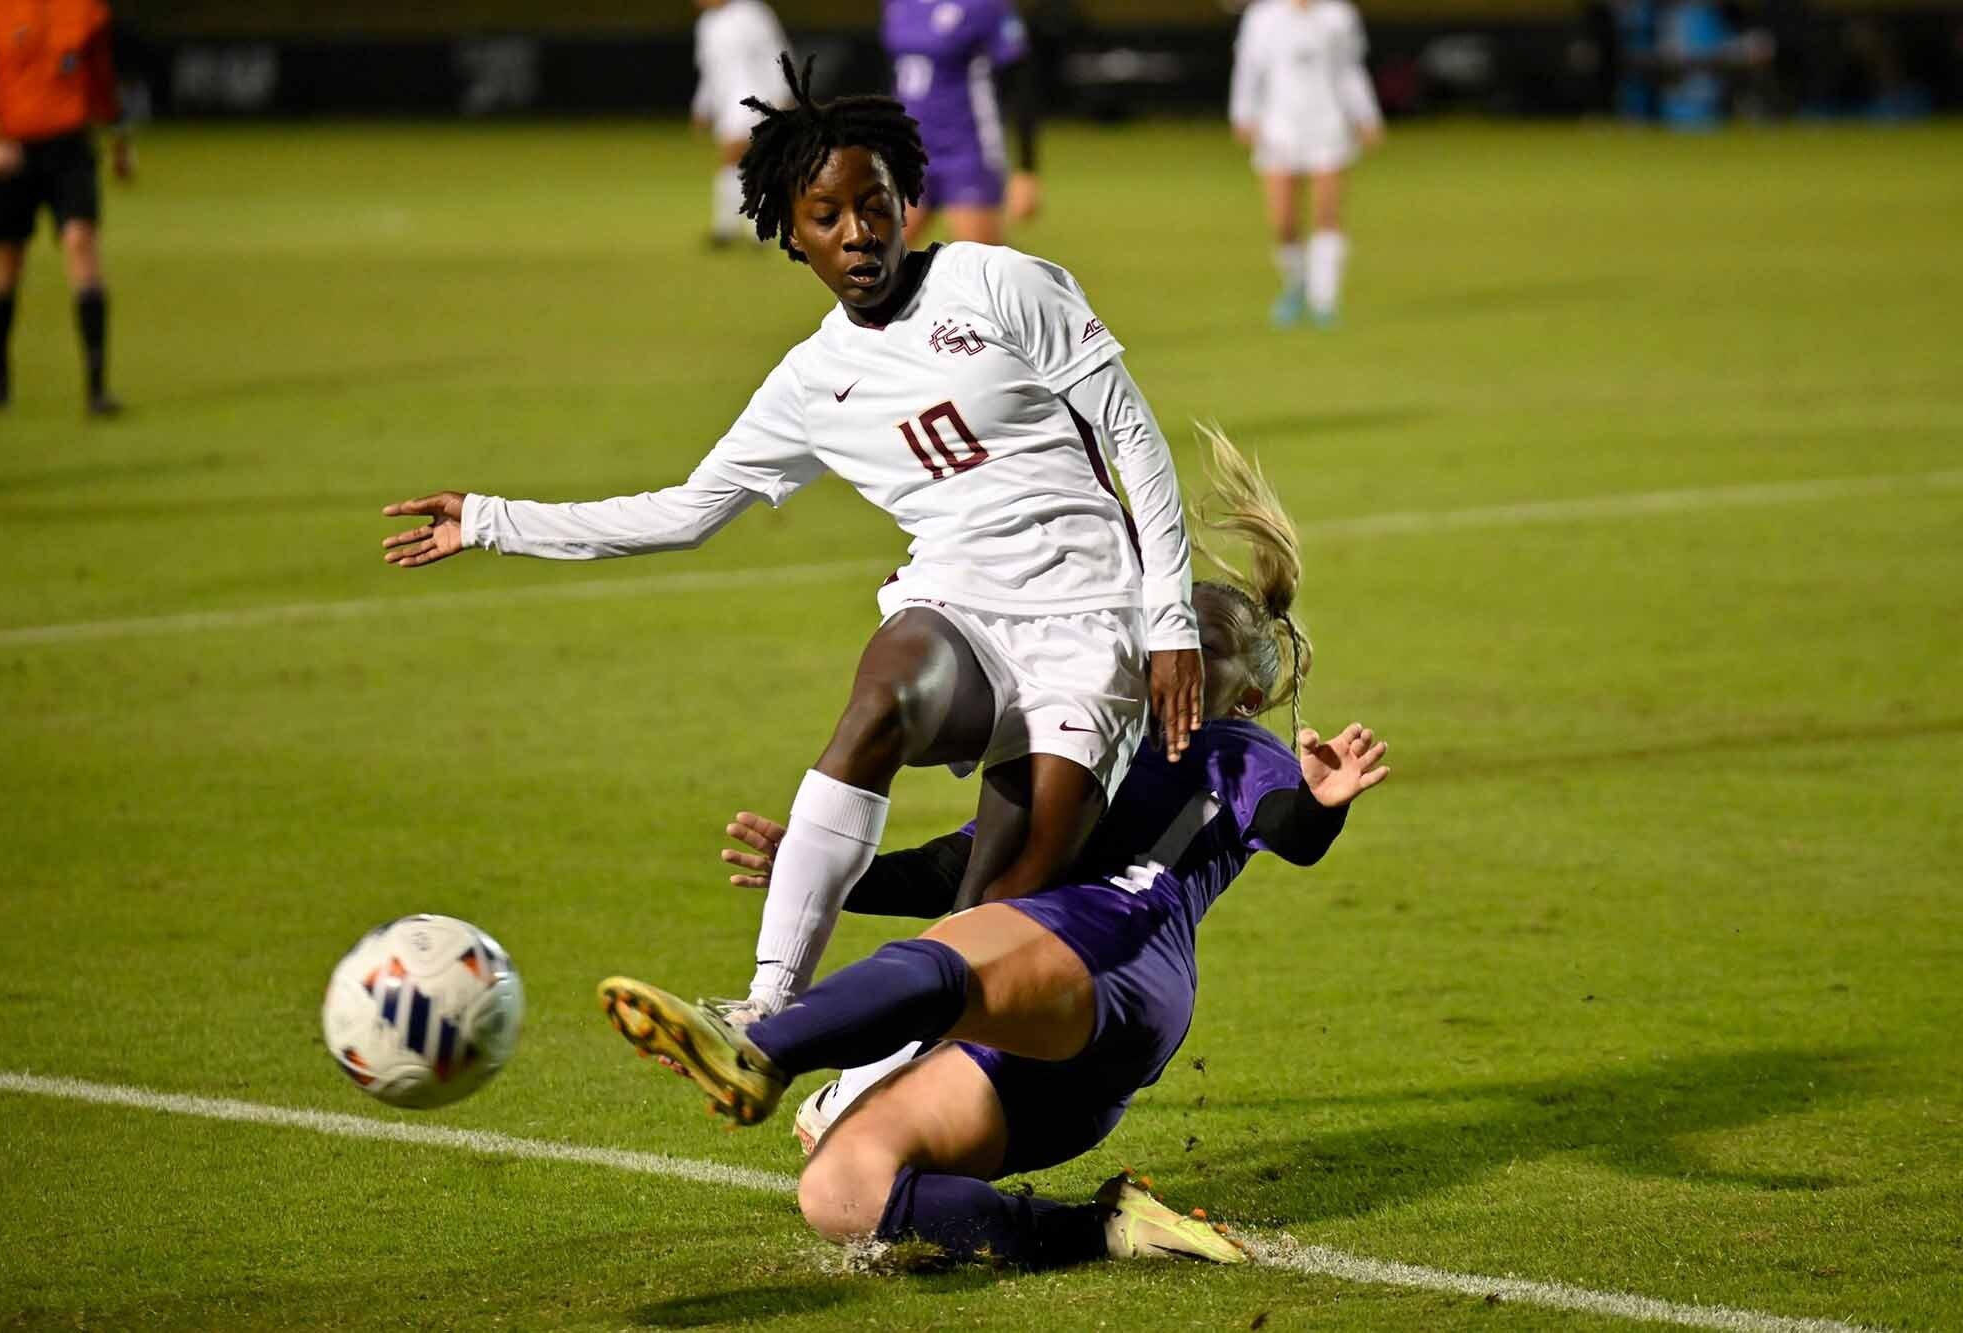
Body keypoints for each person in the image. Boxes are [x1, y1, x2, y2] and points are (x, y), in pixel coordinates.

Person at [381, 56, 1202, 1027]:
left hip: (1087, 630)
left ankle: (858, 1076)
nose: (857, 231)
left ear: (908, 200)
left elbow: (1132, 435)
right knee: (887, 687)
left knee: (986, 919)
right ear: (789, 233)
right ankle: (766, 1003)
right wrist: (488, 518)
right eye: (826, 216)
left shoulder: (998, 282)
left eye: (875, 203)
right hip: (961, 611)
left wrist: (1169, 624)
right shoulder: (809, 382)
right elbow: (684, 512)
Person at [598, 430, 1393, 1268]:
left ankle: (764, 1047)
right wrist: (827, 868)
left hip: (1118, 954)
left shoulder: (1236, 749)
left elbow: (1287, 831)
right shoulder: (1102, 734)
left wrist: (1320, 801)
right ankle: (1106, 1229)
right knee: (841, 1190)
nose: (1174, 657)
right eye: (1167, 634)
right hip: (1045, 1041)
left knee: (948, 951)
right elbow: (958, 864)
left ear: (1252, 692)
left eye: (1202, 649)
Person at [0, 0, 132, 414]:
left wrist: (117, 135)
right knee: (6, 267)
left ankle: (97, 388)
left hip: (69, 148)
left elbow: (100, 79)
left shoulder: (86, 10)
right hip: (11, 151)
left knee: (80, 242)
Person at [1228, 0, 1383, 329]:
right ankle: (1296, 283)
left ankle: (1324, 299)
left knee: (1327, 212)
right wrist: (1243, 112)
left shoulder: (1338, 15)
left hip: (1328, 124)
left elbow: (1349, 69)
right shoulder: (1263, 16)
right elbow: (1249, 68)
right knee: (1284, 221)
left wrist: (1366, 115)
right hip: (1279, 127)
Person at [883, 0, 1040, 245]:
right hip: (908, 149)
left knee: (978, 270)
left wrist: (1027, 169)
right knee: (876, 266)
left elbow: (1020, 85)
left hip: (966, 150)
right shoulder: (899, 4)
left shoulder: (985, 6)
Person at [690, 0, 791, 247]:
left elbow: (775, 52)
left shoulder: (751, 13)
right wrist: (702, 106)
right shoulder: (707, 24)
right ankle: (741, 227)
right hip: (727, 105)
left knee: (734, 155)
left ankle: (734, 228)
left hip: (757, 98)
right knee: (743, 163)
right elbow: (709, 71)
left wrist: (782, 93)